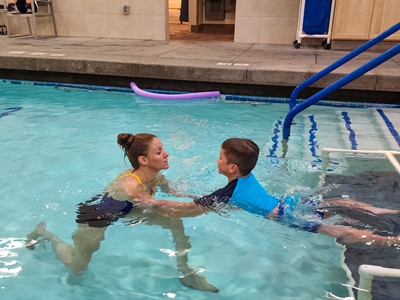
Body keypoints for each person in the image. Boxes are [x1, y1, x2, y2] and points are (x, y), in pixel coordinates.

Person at [25, 133, 218, 293]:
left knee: (174, 223)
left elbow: (176, 194)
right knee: (77, 271)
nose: (167, 154)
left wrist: (210, 198)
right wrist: (208, 209)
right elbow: (172, 211)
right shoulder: (133, 187)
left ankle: (186, 271)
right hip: (97, 216)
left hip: (128, 210)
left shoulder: (157, 177)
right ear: (143, 160)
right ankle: (46, 235)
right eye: (159, 152)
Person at [143, 138, 400, 246]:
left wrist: (154, 201)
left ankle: (391, 241)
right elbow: (226, 197)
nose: (217, 160)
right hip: (288, 201)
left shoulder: (227, 192)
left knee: (336, 229)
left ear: (231, 167)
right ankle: (378, 209)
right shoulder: (243, 178)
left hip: (285, 215)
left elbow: (191, 207)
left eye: (220, 158)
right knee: (337, 202)